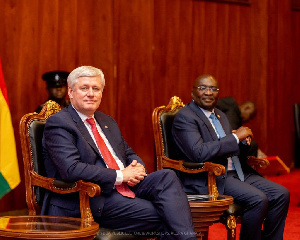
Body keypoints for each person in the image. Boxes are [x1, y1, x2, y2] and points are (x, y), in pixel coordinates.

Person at [42, 66, 197, 240]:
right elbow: (71, 169)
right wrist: (120, 175)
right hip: (91, 196)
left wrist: (137, 167)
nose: (91, 94)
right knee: (170, 216)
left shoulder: (106, 120)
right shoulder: (59, 123)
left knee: (167, 176)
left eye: (96, 89)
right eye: (84, 88)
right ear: (70, 92)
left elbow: (128, 153)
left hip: (126, 186)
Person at [172, 74, 290, 240]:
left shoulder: (220, 114)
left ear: (218, 93)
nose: (208, 92)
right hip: (212, 177)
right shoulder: (186, 117)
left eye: (213, 89)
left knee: (281, 193)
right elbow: (198, 153)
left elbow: (226, 146)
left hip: (237, 172)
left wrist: (242, 143)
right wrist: (235, 138)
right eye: (202, 88)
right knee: (258, 199)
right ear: (192, 93)